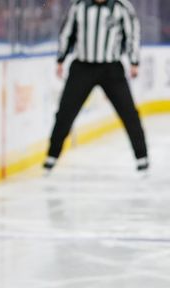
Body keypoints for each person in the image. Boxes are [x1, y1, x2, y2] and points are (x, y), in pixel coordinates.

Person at [43, 0, 148, 174]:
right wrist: (61, 59)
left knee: (129, 114)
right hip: (82, 67)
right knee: (65, 113)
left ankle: (142, 157)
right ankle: (52, 155)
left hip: (111, 68)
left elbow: (132, 34)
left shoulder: (121, 7)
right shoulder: (79, 6)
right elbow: (66, 32)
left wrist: (134, 61)